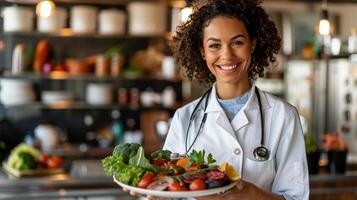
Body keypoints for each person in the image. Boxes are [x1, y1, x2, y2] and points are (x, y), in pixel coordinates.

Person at [162, 0, 309, 199]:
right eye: (214, 45)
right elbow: (167, 186)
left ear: (252, 45)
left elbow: (297, 197)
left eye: (237, 42)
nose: (227, 55)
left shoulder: (283, 116)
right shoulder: (184, 118)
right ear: (202, 52)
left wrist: (253, 194)